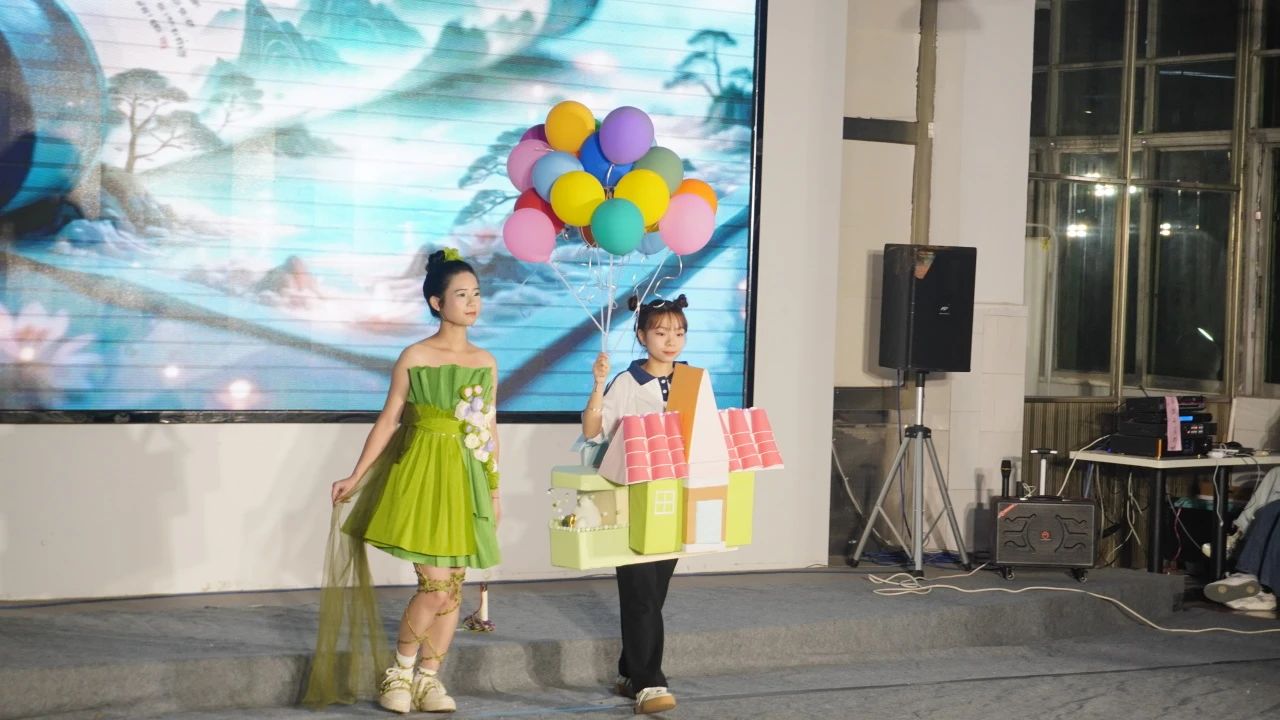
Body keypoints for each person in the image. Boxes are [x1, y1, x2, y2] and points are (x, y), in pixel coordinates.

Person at [303, 248, 501, 714]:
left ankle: (429, 681)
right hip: (421, 475)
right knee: (435, 588)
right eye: (461, 294)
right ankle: (399, 672)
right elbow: (390, 420)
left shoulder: (486, 361)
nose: (472, 302)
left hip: (465, 479)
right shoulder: (415, 355)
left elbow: (489, 429)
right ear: (437, 302)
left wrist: (494, 490)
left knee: (453, 587)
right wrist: (357, 474)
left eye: (476, 293)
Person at [581, 294, 693, 715]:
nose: (671, 340)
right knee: (641, 591)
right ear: (642, 335)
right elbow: (593, 431)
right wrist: (598, 384)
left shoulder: (693, 380)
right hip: (632, 497)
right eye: (661, 332)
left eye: (678, 332)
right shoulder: (627, 382)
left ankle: (629, 671)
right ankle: (649, 682)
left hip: (673, 496)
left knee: (652, 592)